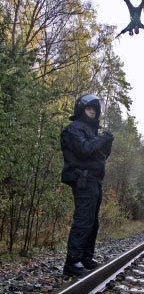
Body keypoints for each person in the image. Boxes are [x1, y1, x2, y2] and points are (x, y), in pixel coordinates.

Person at [60, 93, 114, 276]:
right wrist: (102, 138)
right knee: (83, 220)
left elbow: (102, 155)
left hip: (94, 180)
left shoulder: (92, 132)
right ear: (81, 109)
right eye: (89, 108)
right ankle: (72, 261)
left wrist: (107, 141)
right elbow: (83, 150)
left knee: (93, 221)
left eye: (94, 109)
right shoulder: (74, 128)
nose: (92, 112)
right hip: (82, 179)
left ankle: (85, 257)